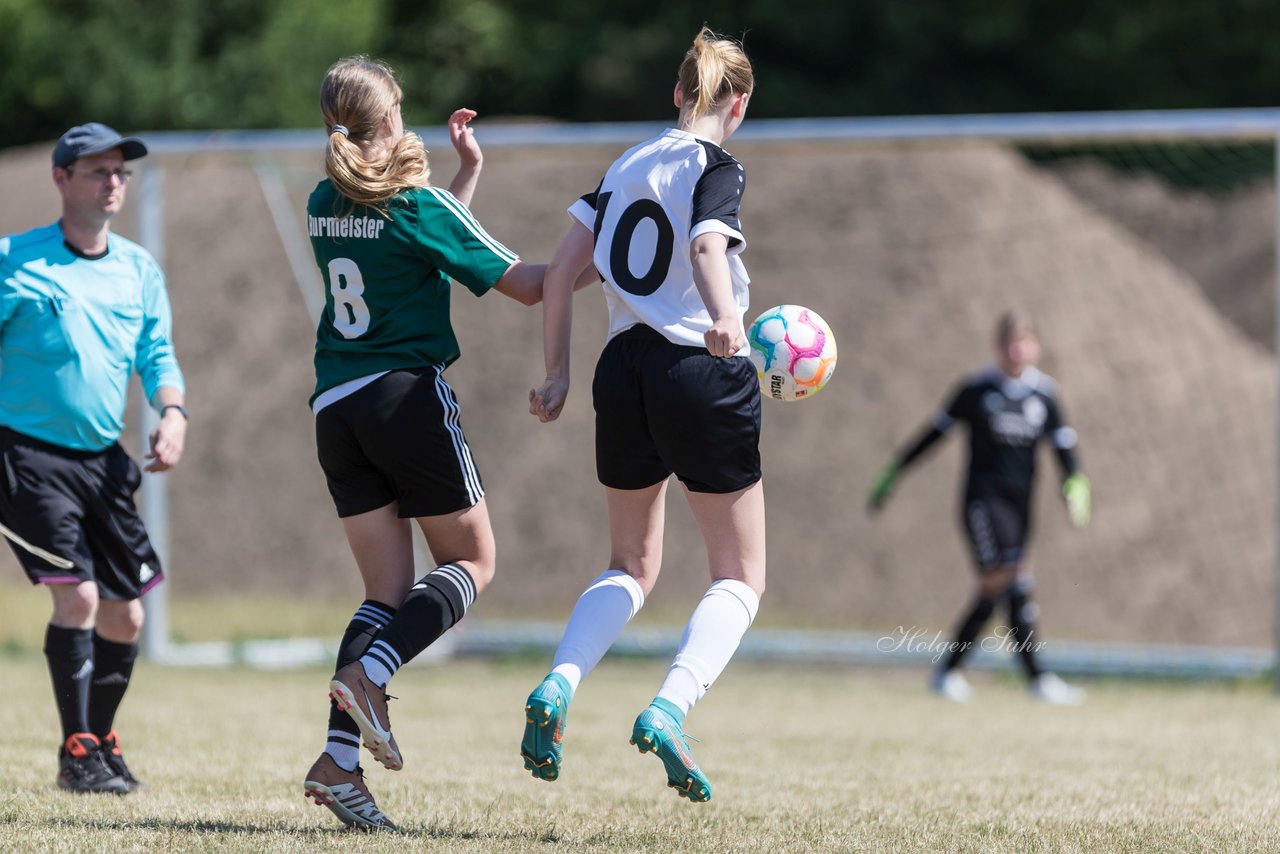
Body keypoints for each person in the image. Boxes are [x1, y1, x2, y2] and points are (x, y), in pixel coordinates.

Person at [298, 57, 578, 832]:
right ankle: (374, 673)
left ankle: (340, 763)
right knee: (473, 562)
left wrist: (466, 178)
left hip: (337, 407)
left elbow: (421, 246)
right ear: (388, 120)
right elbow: (526, 283)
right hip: (404, 400)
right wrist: (609, 260)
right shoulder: (412, 203)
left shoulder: (326, 197)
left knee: (384, 594)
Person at [520, 28, 760, 805]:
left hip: (619, 370)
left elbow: (560, 275)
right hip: (697, 368)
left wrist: (555, 374)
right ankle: (668, 707)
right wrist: (726, 320)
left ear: (677, 93)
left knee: (630, 565)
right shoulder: (716, 166)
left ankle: (559, 683)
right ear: (739, 103)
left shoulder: (626, 165)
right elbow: (703, 246)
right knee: (740, 575)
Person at [0, 123, 188, 794]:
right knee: (76, 596)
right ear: (61, 178)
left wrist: (172, 413)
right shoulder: (12, 259)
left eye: (120, 172)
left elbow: (157, 354)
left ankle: (100, 742)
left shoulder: (138, 268)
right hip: (24, 454)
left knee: (126, 613)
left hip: (102, 461)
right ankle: (76, 753)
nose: (113, 182)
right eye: (97, 171)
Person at [868, 310, 1091, 705]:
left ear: (1035, 346)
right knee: (1010, 576)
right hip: (981, 504)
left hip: (1021, 508)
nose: (1016, 349)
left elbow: (1064, 450)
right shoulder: (975, 390)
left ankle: (950, 672)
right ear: (998, 345)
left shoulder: (1045, 396)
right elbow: (934, 434)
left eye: (1024, 341)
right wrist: (896, 472)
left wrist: (1075, 484)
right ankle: (1036, 679)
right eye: (1009, 341)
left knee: (1002, 586)